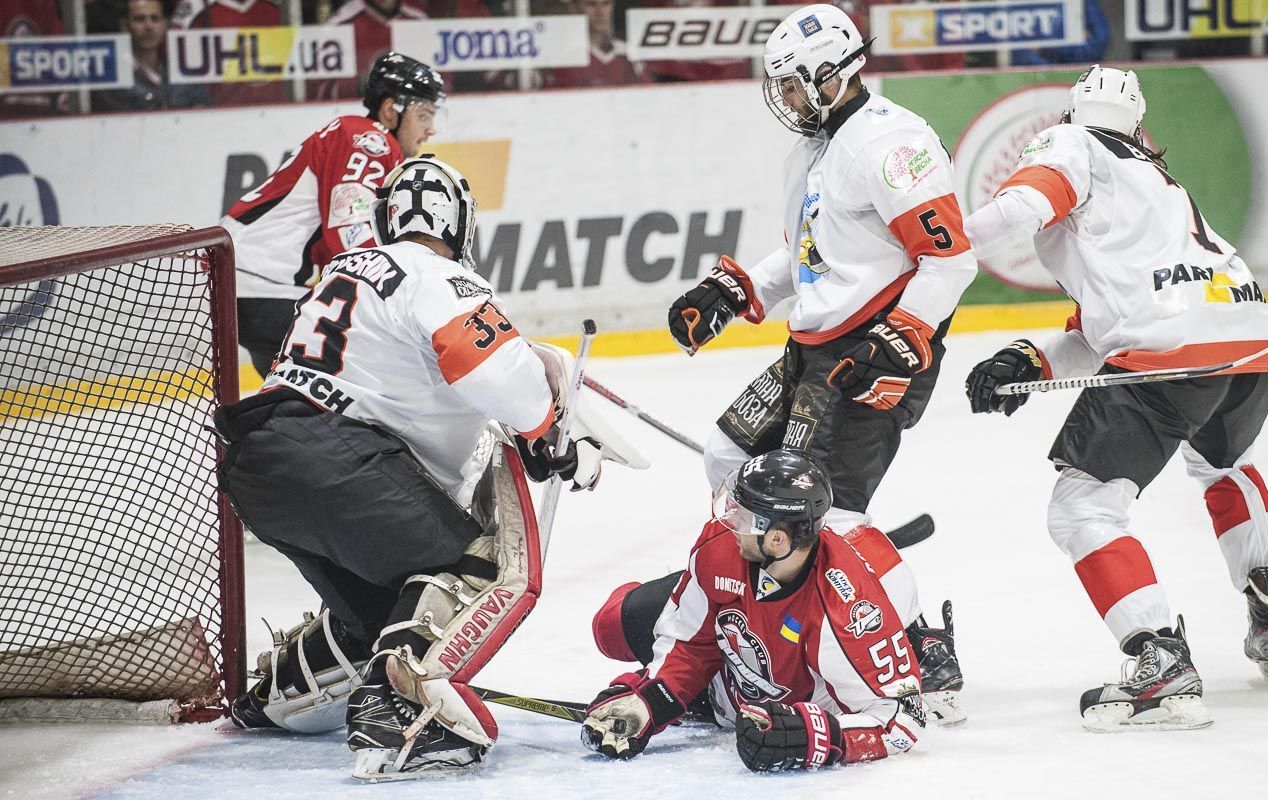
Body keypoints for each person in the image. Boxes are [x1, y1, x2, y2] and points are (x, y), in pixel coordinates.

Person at [213, 155, 640, 780]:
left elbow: (406, 386)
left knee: (391, 614)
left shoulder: (340, 271)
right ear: (460, 224)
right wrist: (549, 431)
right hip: (336, 460)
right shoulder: (437, 274)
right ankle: (397, 708)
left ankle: (277, 696)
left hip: (260, 463)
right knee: (478, 564)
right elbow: (491, 367)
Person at [961, 66, 1268, 732]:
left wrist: (920, 244)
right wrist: (1029, 358)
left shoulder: (1073, 145)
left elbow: (1020, 210)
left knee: (1081, 508)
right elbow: (1104, 327)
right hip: (1252, 343)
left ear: (1071, 117)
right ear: (1140, 125)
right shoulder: (1159, 181)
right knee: (1223, 465)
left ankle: (1158, 655)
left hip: (1172, 355)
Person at [666, 5, 976, 576]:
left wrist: (900, 339)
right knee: (729, 457)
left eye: (789, 85)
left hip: (873, 355)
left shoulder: (893, 144)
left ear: (829, 75)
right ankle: (763, 595)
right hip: (813, 352)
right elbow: (812, 257)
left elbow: (950, 263)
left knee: (829, 517)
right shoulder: (812, 151)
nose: (783, 99)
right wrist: (737, 291)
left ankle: (913, 636)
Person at [582, 449, 960, 771]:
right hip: (731, 670)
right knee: (611, 627)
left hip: (782, 693)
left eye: (743, 517)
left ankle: (915, 644)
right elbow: (690, 641)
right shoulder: (721, 545)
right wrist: (653, 698)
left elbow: (903, 721)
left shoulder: (845, 611)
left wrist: (814, 736)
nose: (729, 522)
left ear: (777, 538)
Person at [221, 52, 440, 377]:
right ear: (390, 110)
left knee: (295, 401)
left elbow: (332, 244)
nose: (430, 129)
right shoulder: (370, 141)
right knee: (372, 376)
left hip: (251, 283)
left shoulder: (361, 138)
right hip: (266, 286)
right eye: (423, 115)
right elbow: (349, 233)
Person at [92, 0, 211, 111]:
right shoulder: (112, 78)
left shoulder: (182, 74)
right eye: (139, 19)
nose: (148, 26)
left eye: (155, 19)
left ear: (164, 25)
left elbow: (204, 111)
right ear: (125, 26)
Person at [169, 0, 285, 107]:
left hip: (281, 114)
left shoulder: (282, 8)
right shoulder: (196, 10)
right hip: (219, 118)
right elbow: (170, 55)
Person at [547, 0, 645, 89]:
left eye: (606, 4)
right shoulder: (563, 58)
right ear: (573, 7)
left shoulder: (628, 53)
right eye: (591, 4)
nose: (600, 12)